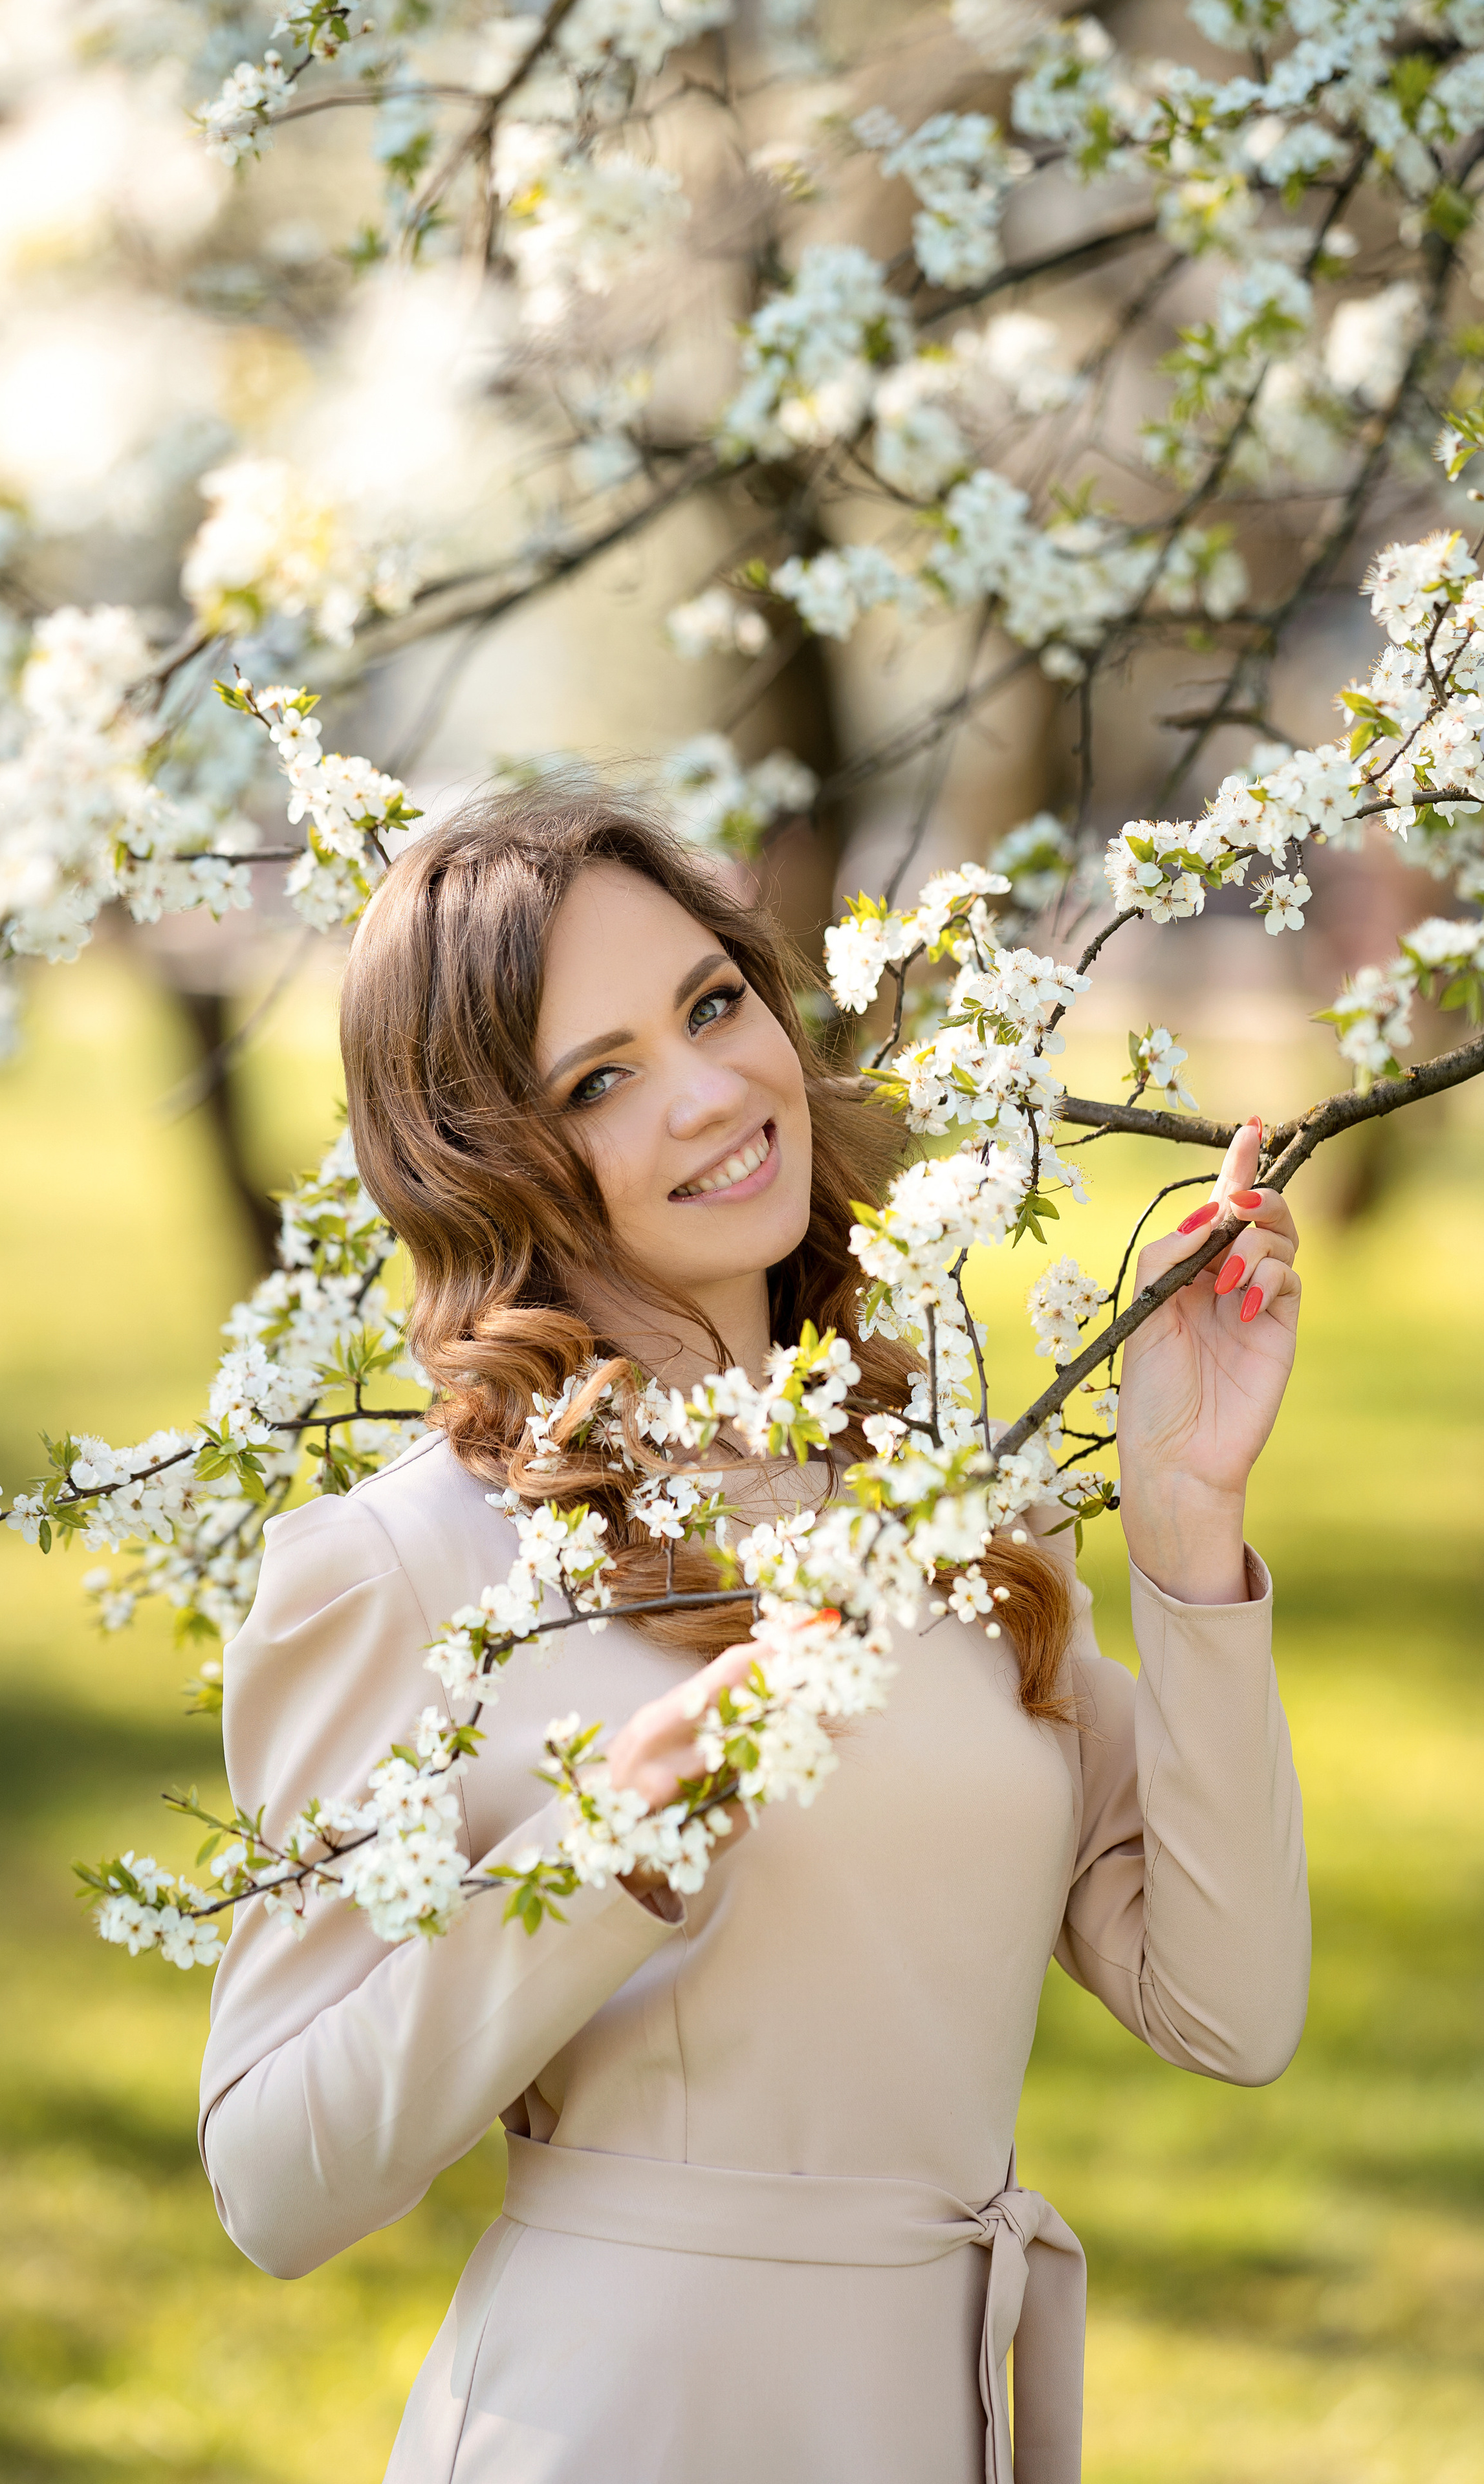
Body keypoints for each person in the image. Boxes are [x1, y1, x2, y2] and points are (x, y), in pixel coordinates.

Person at [198, 790, 1309, 2484]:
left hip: (930, 2420)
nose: (713, 1092)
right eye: (599, 1079)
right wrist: (602, 1856)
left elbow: (1230, 2012)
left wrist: (1185, 1529)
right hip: (626, 2426)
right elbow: (275, 2189)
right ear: (482, 1156)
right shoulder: (404, 1566)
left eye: (713, 1005)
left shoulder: (950, 1507)